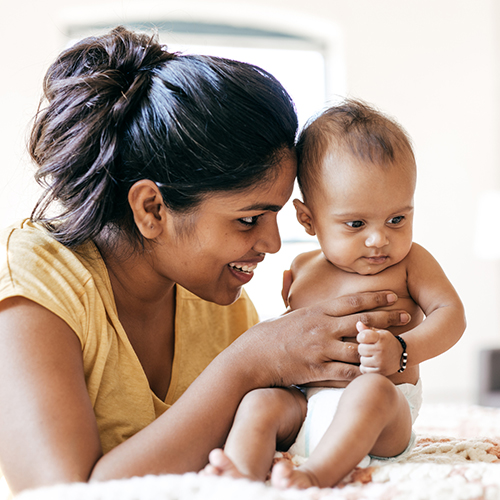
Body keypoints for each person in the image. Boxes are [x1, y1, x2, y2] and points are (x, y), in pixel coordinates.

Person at [0, 30, 412, 495]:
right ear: (152, 209)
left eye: (275, 215)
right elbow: (59, 492)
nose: (273, 243)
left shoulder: (223, 306)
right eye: (249, 218)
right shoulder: (36, 282)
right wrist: (246, 364)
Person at [203, 99, 466, 489]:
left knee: (370, 390)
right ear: (308, 219)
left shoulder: (411, 262)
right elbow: (293, 340)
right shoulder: (303, 268)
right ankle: (241, 475)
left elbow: (452, 315)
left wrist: (402, 349)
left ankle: (312, 476)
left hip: (384, 412)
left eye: (398, 219)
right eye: (356, 223)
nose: (379, 238)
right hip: (307, 405)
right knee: (259, 403)